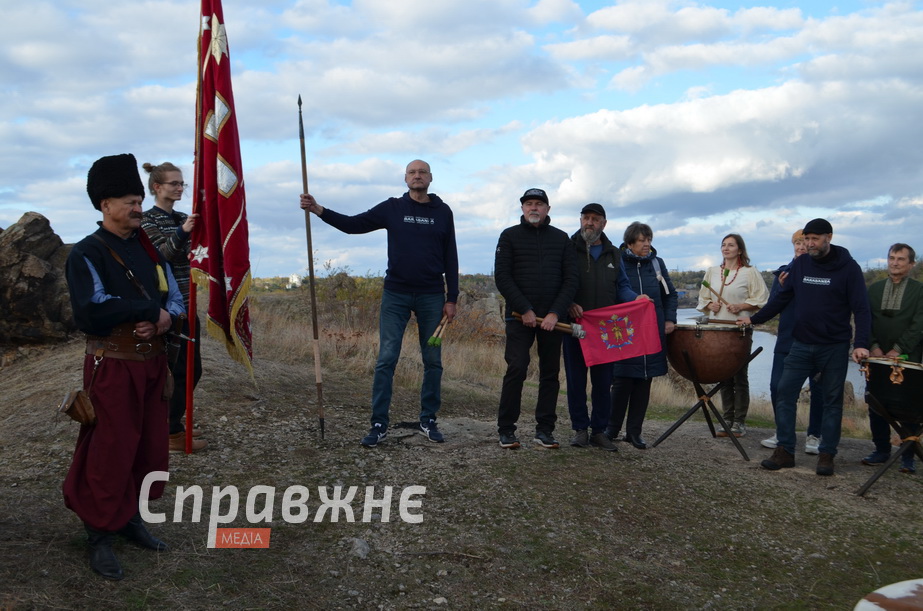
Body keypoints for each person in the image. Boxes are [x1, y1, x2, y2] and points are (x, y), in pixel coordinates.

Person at [64, 153, 185, 579]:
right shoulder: (87, 253)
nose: (138, 209)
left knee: (147, 445)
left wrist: (165, 316)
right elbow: (91, 311)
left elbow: (173, 296)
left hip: (153, 366)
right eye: (130, 202)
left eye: (139, 200)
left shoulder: (147, 248)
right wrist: (148, 310)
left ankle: (131, 520)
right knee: (110, 450)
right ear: (105, 206)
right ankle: (99, 533)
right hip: (112, 366)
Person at [300, 160, 458, 446]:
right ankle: (379, 423)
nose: (417, 176)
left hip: (432, 295)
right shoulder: (392, 208)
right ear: (405, 178)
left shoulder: (443, 212)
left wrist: (452, 299)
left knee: (432, 360)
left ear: (431, 178)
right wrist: (318, 209)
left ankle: (428, 419)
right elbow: (353, 225)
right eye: (412, 172)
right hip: (396, 294)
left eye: (422, 172)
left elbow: (451, 257)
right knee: (387, 358)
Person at [740, 218, 871, 476]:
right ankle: (786, 450)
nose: (809, 244)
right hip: (801, 344)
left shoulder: (849, 268)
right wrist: (755, 319)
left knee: (833, 401)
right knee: (784, 392)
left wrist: (862, 344)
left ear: (828, 237)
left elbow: (862, 308)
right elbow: (783, 299)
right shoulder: (801, 264)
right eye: (807, 239)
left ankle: (826, 454)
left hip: (834, 346)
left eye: (815, 239)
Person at [495, 188, 577, 449]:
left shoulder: (562, 239)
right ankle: (506, 429)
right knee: (517, 367)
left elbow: (570, 279)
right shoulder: (509, 237)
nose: (534, 208)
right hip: (519, 317)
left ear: (547, 209)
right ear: (522, 209)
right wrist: (525, 309)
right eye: (529, 203)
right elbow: (503, 277)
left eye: (539, 204)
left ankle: (545, 430)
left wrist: (555, 313)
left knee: (550, 374)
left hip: (553, 319)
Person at [563, 204, 643, 451]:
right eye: (586, 218)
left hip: (605, 331)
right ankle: (579, 429)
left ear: (604, 224)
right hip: (574, 326)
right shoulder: (567, 248)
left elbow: (622, 287)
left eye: (595, 219)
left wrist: (636, 299)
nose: (590, 223)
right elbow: (559, 282)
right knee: (576, 381)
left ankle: (599, 430)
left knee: (603, 382)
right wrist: (569, 303)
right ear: (580, 220)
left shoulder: (613, 254)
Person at [141, 162, 207, 453]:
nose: (180, 188)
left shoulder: (183, 216)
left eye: (182, 184)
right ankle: (170, 431)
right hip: (169, 307)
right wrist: (183, 231)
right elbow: (162, 255)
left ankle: (169, 422)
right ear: (157, 187)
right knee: (174, 370)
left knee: (194, 369)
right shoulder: (146, 221)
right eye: (174, 184)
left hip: (189, 302)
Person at [607, 222, 677, 450]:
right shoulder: (616, 262)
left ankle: (634, 433)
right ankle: (611, 429)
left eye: (649, 240)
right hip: (625, 331)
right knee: (622, 379)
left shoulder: (658, 264)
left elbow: (670, 295)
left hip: (652, 331)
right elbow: (614, 293)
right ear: (629, 243)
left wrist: (669, 320)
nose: (647, 244)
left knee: (645, 380)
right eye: (642, 240)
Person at [697, 233, 768, 437]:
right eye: (723, 245)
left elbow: (762, 299)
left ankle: (740, 422)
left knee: (739, 376)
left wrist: (742, 306)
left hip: (739, 330)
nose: (726, 248)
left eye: (731, 245)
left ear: (739, 249)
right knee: (724, 375)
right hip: (717, 329)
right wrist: (712, 304)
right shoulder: (711, 272)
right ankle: (727, 419)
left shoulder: (750, 272)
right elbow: (703, 299)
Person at [761, 230, 824, 454]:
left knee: (818, 389)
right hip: (787, 340)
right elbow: (772, 305)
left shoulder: (821, 271)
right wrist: (780, 286)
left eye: (805, 242)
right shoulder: (782, 273)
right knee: (777, 386)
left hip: (815, 340)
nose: (801, 247)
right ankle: (782, 432)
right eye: (797, 242)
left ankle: (815, 434)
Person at [862, 243, 923, 474]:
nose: (894, 262)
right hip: (877, 358)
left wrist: (898, 349)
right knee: (877, 403)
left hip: (908, 358)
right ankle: (881, 450)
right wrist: (874, 347)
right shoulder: (875, 289)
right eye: (891, 258)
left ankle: (908, 455)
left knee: (909, 406)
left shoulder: (919, 290)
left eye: (900, 259)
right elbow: (865, 318)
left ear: (911, 264)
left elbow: (919, 324)